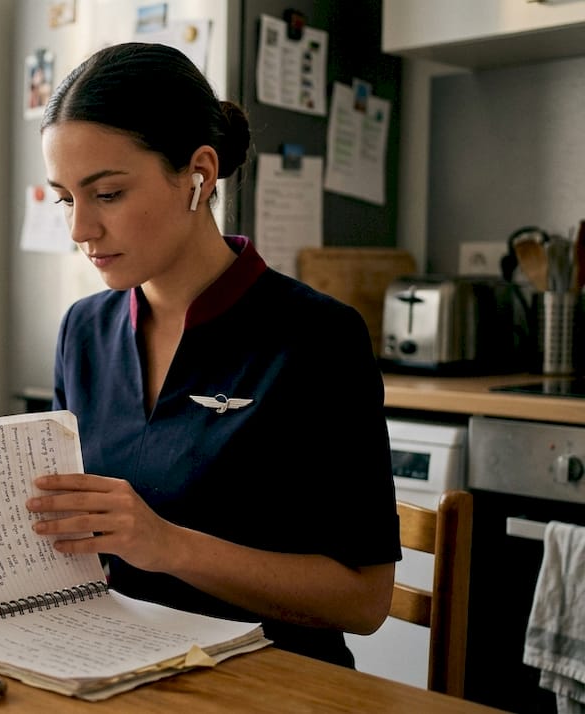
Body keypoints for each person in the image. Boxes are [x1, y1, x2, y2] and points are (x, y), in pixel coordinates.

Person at [24, 42, 400, 669]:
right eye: (66, 198)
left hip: (273, 687)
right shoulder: (82, 331)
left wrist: (167, 544)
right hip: (115, 672)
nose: (79, 229)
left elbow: (364, 602)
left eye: (108, 194)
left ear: (198, 173)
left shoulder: (317, 338)